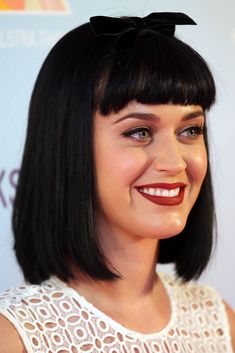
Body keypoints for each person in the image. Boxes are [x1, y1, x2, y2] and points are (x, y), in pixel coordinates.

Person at [0, 12, 235, 353]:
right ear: (69, 145)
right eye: (139, 132)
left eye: (190, 130)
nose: (174, 162)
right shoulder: (15, 337)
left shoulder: (218, 323)